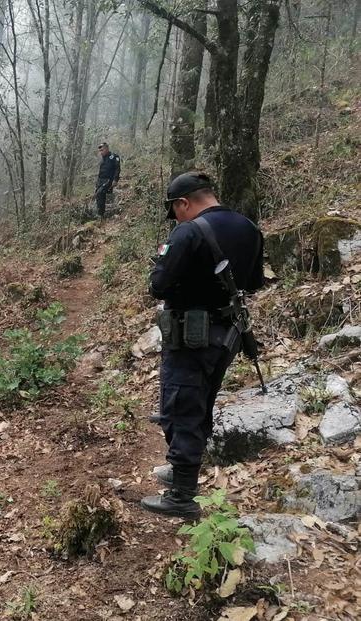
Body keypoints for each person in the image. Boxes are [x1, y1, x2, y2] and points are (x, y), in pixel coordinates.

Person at [142, 172, 264, 518]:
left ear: (184, 203)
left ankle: (181, 493)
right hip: (226, 336)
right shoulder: (249, 228)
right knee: (201, 403)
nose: (176, 217)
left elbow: (159, 285)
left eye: (175, 210)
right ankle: (184, 469)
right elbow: (253, 282)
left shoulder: (188, 231)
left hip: (191, 335)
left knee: (180, 407)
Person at [95, 142, 121, 218]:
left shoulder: (114, 157)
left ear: (107, 149)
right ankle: (100, 213)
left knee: (100, 193)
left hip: (108, 180)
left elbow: (117, 169)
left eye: (102, 150)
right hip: (100, 180)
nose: (101, 152)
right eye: (100, 151)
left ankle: (100, 215)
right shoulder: (103, 159)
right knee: (98, 195)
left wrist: (115, 180)